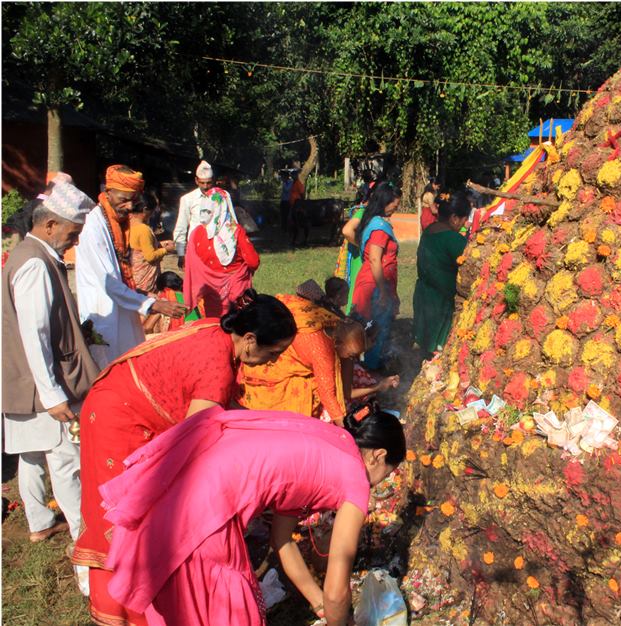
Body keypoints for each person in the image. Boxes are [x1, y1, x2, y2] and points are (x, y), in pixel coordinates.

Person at [71, 292, 296, 626]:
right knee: (125, 523)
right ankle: (123, 613)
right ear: (250, 339)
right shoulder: (216, 369)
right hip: (119, 422)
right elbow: (193, 448)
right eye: (273, 352)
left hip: (120, 406)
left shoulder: (217, 332)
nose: (273, 361)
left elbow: (220, 416)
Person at [99, 402, 405, 625]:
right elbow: (337, 591)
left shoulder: (332, 440)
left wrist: (316, 600)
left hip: (187, 479)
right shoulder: (356, 480)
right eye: (388, 474)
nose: (381, 483)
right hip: (207, 512)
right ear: (379, 456)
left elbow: (282, 540)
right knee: (225, 611)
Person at [1, 179, 97, 579]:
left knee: (30, 455)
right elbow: (35, 334)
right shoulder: (35, 264)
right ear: (50, 225)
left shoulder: (24, 254)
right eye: (71, 233)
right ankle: (84, 545)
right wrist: (54, 395)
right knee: (66, 463)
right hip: (43, 386)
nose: (72, 242)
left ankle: (40, 523)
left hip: (23, 382)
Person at [75, 165, 187, 368]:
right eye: (123, 199)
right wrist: (152, 304)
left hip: (125, 304)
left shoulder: (119, 223)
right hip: (103, 309)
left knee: (130, 363)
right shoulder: (93, 226)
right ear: (108, 193)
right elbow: (108, 281)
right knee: (107, 368)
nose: (128, 206)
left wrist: (142, 294)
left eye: (133, 200)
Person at [240, 284, 398, 423]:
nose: (353, 359)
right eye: (351, 355)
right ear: (337, 344)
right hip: (272, 374)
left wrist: (378, 386)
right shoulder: (322, 351)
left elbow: (346, 391)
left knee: (357, 375)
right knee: (305, 402)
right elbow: (330, 397)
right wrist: (345, 431)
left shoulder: (340, 328)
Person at [183, 187, 260, 317]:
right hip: (236, 293)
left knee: (214, 325)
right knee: (238, 327)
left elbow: (192, 264)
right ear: (226, 205)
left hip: (211, 295)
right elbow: (253, 262)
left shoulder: (196, 234)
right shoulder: (236, 232)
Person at [413, 191, 471, 358]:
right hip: (442, 301)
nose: (465, 223)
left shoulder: (430, 230)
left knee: (426, 347)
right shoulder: (453, 239)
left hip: (425, 295)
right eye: (464, 219)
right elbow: (468, 265)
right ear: (454, 218)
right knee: (439, 352)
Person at [351, 182, 402, 370]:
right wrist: (382, 291)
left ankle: (362, 372)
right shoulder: (379, 228)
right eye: (393, 205)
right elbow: (374, 260)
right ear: (384, 202)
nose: (395, 209)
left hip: (374, 282)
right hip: (374, 285)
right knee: (375, 330)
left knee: (368, 329)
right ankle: (369, 373)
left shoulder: (374, 221)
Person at [172, 160, 227, 269]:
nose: (206, 186)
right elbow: (181, 226)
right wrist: (180, 254)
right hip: (196, 247)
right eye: (202, 183)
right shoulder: (188, 199)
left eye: (208, 183)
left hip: (217, 247)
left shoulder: (220, 198)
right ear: (196, 181)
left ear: (213, 181)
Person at [128, 199, 173, 294]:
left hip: (131, 274)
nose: (152, 215)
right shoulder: (143, 229)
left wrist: (159, 244)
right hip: (144, 278)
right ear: (145, 210)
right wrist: (166, 250)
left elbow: (139, 246)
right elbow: (150, 256)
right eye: (152, 212)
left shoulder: (128, 223)